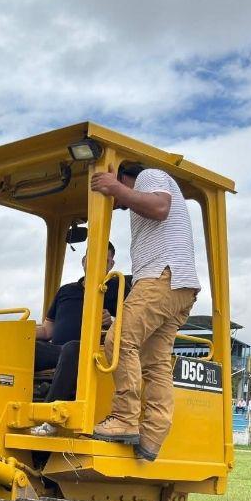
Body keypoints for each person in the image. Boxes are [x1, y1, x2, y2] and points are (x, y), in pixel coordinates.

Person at [88, 162, 200, 462]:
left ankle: (124, 418)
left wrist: (115, 188)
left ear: (124, 174)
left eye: (120, 201)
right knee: (155, 362)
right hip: (180, 286)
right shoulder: (144, 188)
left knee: (118, 341)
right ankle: (152, 435)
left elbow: (160, 206)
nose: (120, 205)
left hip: (161, 277)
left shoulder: (149, 176)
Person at [30, 243, 124, 435]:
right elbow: (48, 331)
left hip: (95, 355)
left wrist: (113, 321)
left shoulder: (119, 289)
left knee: (73, 349)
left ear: (111, 264)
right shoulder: (66, 291)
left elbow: (136, 325)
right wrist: (17, 332)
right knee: (21, 347)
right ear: (83, 261)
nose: (97, 264)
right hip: (57, 352)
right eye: (92, 258)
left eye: (104, 260)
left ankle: (48, 416)